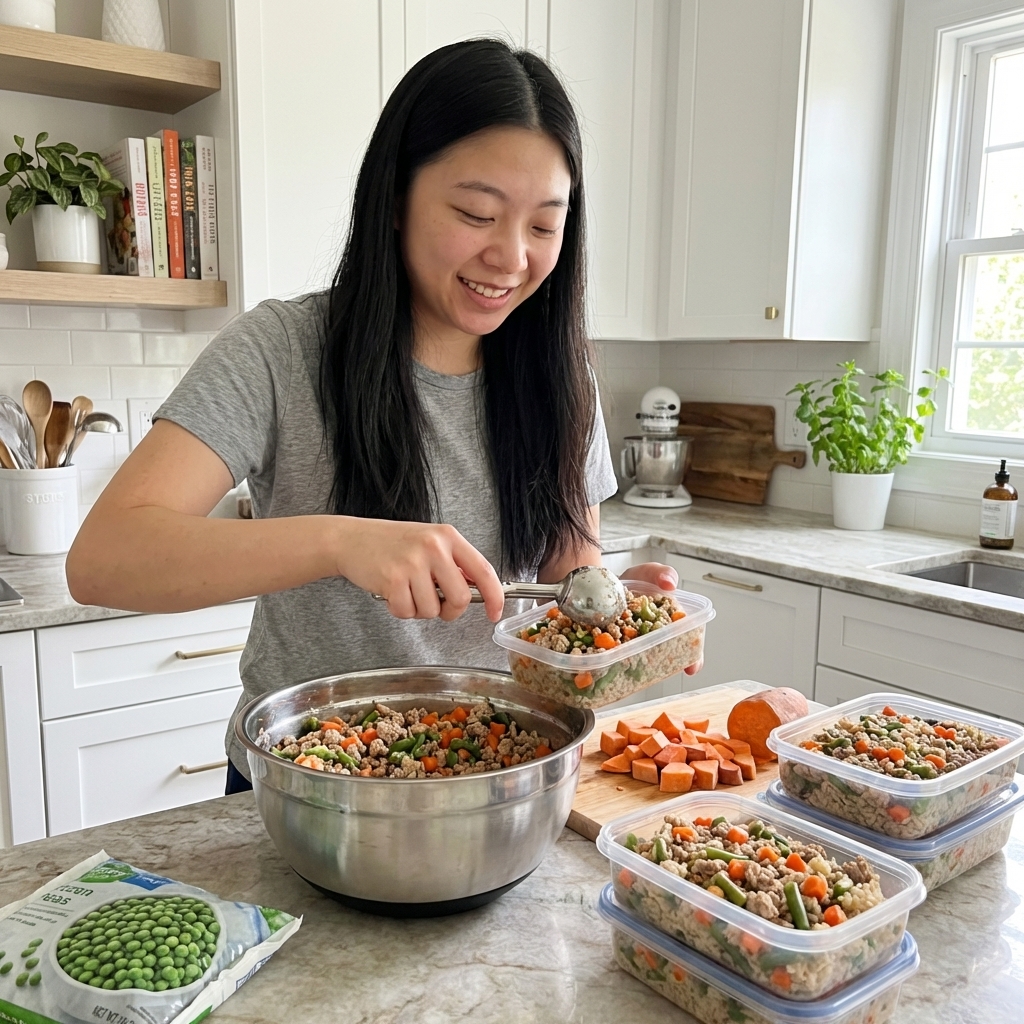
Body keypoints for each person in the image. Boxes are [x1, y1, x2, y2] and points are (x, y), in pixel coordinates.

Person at [65, 39, 696, 794]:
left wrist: (620, 616)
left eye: (543, 226)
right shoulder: (282, 350)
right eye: (476, 213)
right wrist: (340, 541)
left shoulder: (563, 375)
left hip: (505, 778)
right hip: (311, 781)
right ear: (396, 197)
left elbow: (569, 566)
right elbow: (103, 559)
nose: (510, 257)